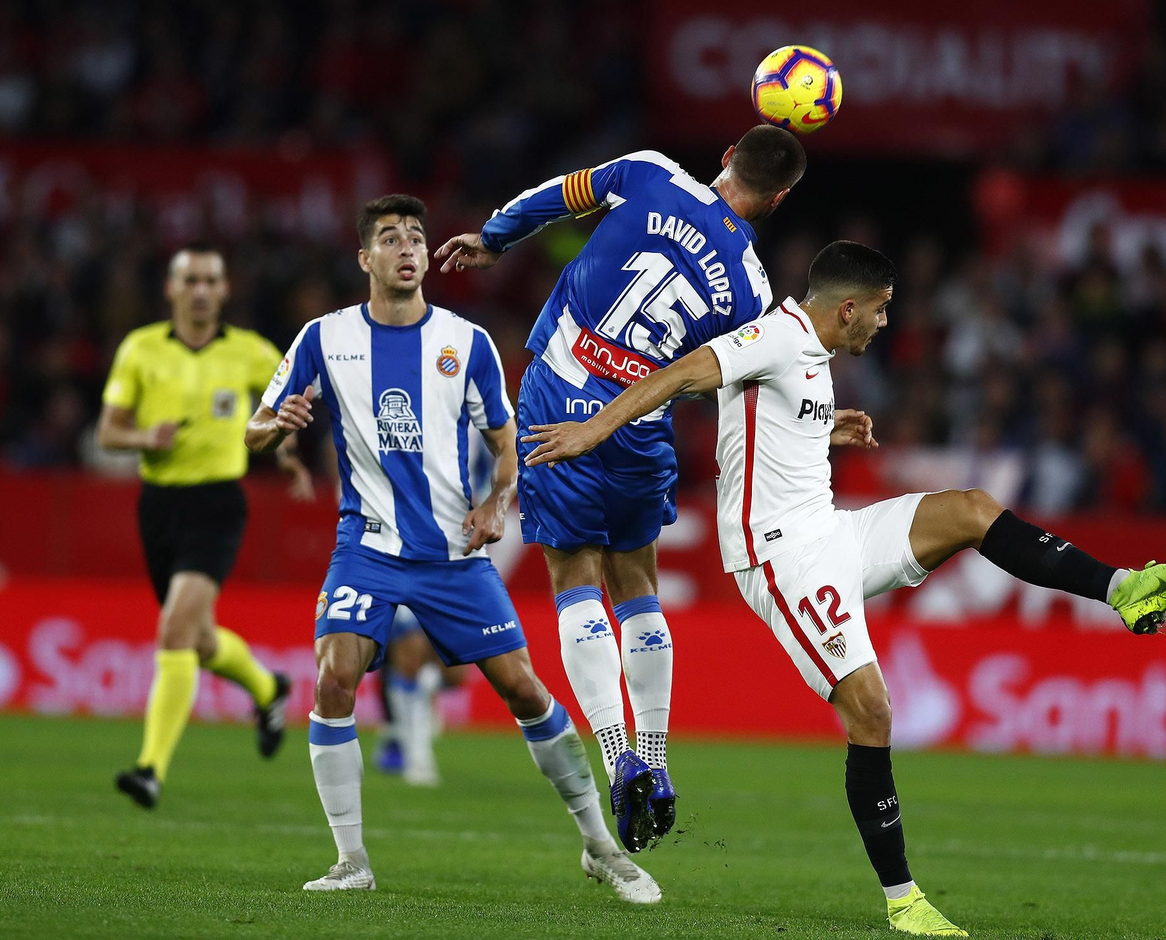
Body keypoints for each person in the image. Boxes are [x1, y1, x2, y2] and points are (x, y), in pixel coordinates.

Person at [523, 241, 1166, 937]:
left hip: (832, 534)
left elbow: (757, 427)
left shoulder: (814, 356)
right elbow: (682, 374)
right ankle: (904, 899)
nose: (884, 325)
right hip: (781, 560)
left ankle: (1125, 588)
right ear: (847, 308)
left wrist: (823, 431)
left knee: (971, 510)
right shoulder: (774, 336)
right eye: (880, 312)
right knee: (873, 712)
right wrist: (593, 430)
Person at [245, 194, 658, 902]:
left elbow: (507, 445)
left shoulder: (465, 343)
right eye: (390, 238)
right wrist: (276, 423)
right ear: (365, 258)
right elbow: (253, 429)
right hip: (367, 547)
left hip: (452, 555)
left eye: (415, 236)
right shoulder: (325, 337)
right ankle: (352, 861)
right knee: (335, 676)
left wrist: (498, 503)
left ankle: (600, 845)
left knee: (524, 689)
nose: (407, 247)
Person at [434, 125, 807, 851]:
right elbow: (721, 385)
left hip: (559, 399)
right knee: (637, 583)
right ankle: (659, 760)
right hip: (640, 426)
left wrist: (493, 237)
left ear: (726, 154)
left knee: (574, 578)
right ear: (780, 198)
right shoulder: (754, 290)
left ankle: (617, 756)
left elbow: (558, 197)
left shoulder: (649, 173)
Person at [98, 243, 311, 809]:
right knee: (196, 637)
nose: (200, 289)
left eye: (210, 280)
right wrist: (146, 438)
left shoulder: (250, 352)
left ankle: (149, 769)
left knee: (173, 630)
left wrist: (286, 452)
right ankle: (269, 689)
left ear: (224, 291)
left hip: (218, 502)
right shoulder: (140, 349)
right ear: (171, 289)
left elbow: (289, 404)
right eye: (189, 279)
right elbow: (107, 432)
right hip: (158, 505)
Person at [372, 607, 467, 786]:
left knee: (456, 674)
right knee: (409, 664)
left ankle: (424, 691)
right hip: (410, 589)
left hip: (449, 590)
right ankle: (416, 755)